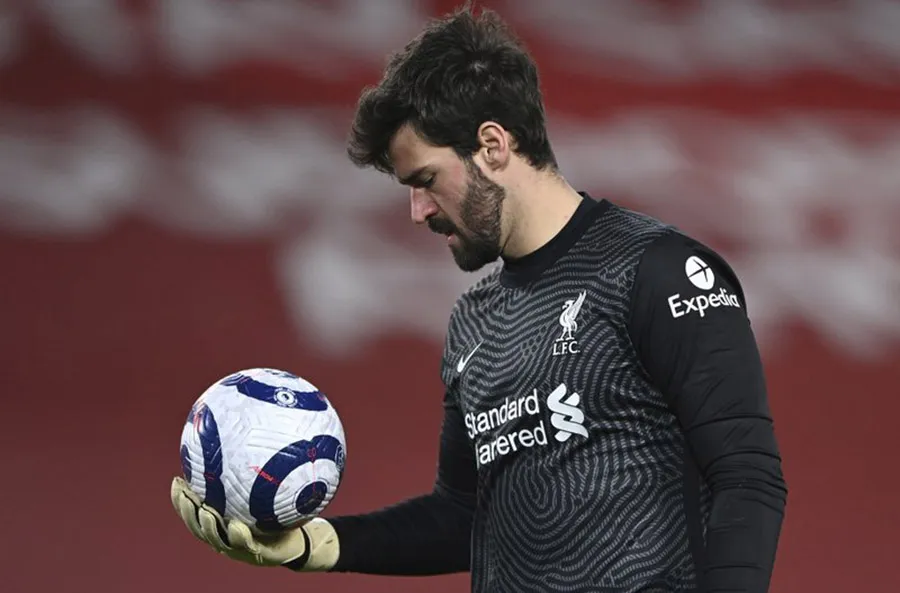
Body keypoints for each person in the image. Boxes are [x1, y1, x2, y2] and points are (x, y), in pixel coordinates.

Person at [171, 5, 788, 592]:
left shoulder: (659, 271)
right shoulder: (473, 322)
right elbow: (463, 514)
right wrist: (312, 545)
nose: (418, 212)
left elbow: (746, 475)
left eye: (426, 181)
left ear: (493, 145)